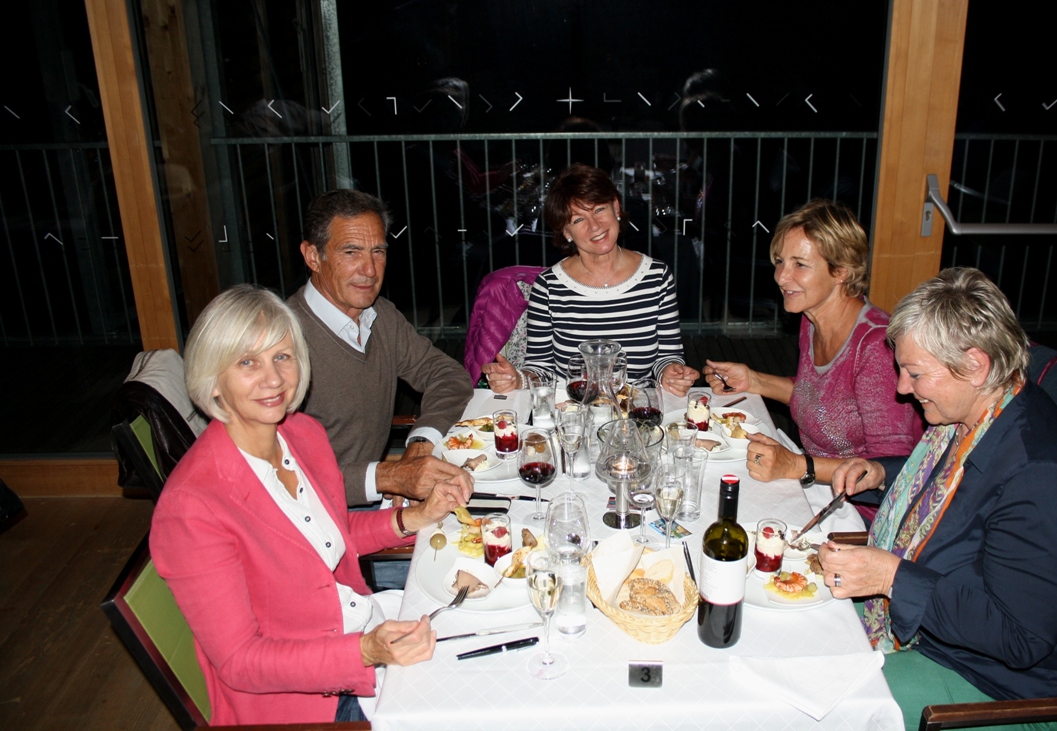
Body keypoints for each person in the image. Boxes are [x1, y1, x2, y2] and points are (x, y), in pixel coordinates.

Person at [819, 268, 1057, 731]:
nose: (901, 387)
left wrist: (893, 577)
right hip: (950, 635)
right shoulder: (984, 412)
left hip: (1011, 689)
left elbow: (1019, 637)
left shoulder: (1044, 477)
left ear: (975, 365)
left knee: (823, 705)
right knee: (799, 629)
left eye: (915, 373)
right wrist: (882, 472)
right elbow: (954, 490)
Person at [151, 286, 459, 725]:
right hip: (307, 702)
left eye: (282, 356)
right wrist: (365, 651)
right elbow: (240, 662)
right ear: (213, 380)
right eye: (247, 362)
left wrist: (415, 517)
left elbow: (329, 533)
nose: (273, 379)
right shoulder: (193, 506)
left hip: (362, 623)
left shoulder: (301, 434)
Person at [703, 200, 923, 486]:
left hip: (859, 505)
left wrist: (796, 465)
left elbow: (890, 469)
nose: (782, 277)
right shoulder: (812, 319)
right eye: (780, 261)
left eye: (800, 264)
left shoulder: (877, 348)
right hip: (815, 482)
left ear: (841, 270)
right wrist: (754, 380)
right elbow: (819, 397)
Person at [287, 189, 474, 508]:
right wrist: (387, 477)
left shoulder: (380, 316)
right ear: (313, 256)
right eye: (351, 252)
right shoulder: (280, 342)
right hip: (315, 520)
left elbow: (447, 375)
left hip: (377, 500)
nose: (370, 270)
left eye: (378, 251)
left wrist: (421, 441)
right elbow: (280, 479)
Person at [482, 163, 700, 396]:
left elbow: (668, 355)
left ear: (616, 207)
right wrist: (518, 379)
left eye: (599, 209)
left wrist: (671, 372)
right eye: (578, 220)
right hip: (572, 409)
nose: (594, 226)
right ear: (566, 232)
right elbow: (540, 367)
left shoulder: (657, 277)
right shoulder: (548, 287)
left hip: (636, 407)